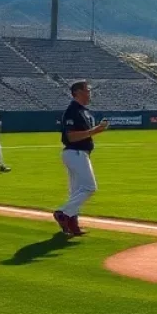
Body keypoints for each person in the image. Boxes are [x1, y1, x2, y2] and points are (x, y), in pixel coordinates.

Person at [54, 81, 109, 238]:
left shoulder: (84, 111)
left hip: (78, 153)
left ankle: (72, 224)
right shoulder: (73, 111)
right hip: (75, 152)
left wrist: (95, 130)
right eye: (87, 90)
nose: (89, 93)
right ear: (77, 92)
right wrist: (96, 130)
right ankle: (63, 213)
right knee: (89, 188)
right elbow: (71, 136)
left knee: (76, 192)